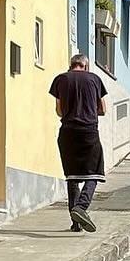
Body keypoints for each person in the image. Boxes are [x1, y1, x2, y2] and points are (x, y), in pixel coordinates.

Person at [49, 53, 106, 232]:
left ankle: (76, 224)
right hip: (89, 131)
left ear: (71, 65)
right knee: (94, 173)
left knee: (72, 177)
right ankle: (81, 208)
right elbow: (103, 108)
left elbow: (59, 110)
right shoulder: (95, 79)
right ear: (86, 66)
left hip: (67, 132)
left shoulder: (60, 79)